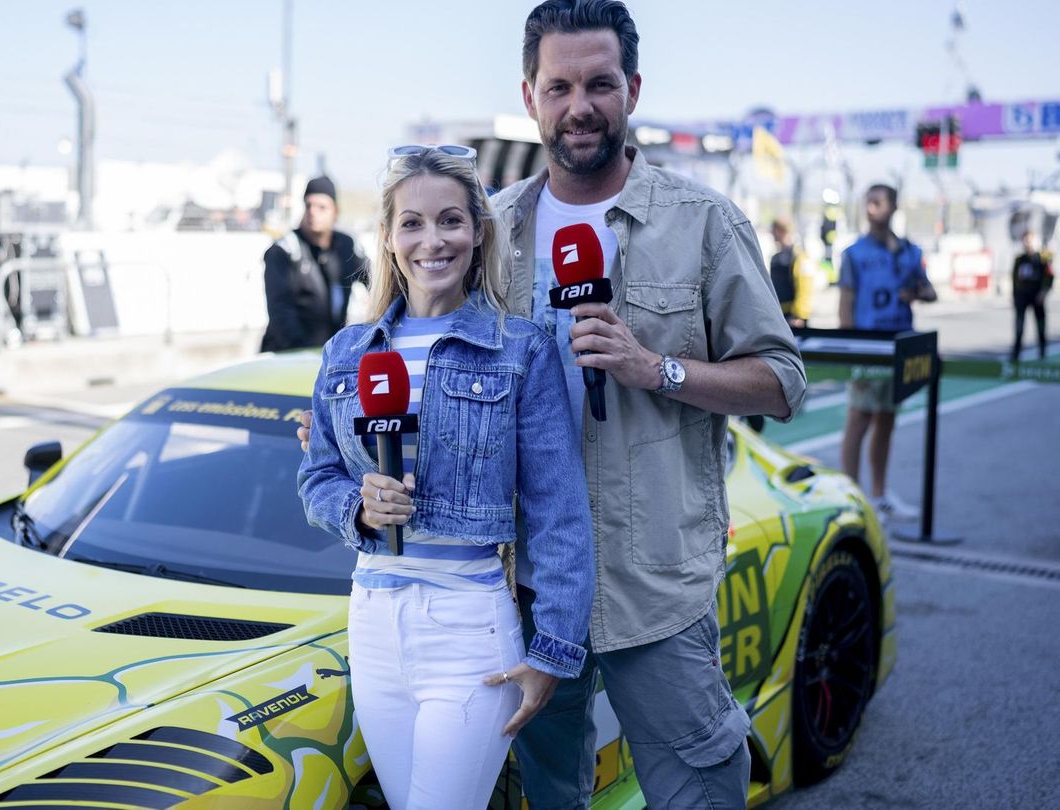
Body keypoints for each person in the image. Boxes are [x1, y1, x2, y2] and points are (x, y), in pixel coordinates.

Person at [301, 3, 805, 807]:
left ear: (632, 89)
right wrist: (345, 435)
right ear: (530, 95)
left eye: (600, 84)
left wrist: (655, 368)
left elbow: (782, 381)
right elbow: (429, 366)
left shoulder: (704, 223)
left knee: (697, 790)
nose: (580, 106)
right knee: (551, 795)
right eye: (559, 85)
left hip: (656, 587)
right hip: (515, 592)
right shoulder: (485, 229)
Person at [298, 146, 594, 810]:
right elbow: (315, 476)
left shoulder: (520, 349)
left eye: (451, 220)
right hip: (372, 622)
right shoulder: (347, 352)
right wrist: (360, 507)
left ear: (479, 232)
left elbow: (559, 513)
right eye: (413, 223)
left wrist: (553, 649)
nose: (433, 240)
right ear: (389, 238)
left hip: (467, 627)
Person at [838, 183, 937, 522]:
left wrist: (919, 293)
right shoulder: (854, 253)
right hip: (868, 346)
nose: (871, 208)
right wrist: (851, 353)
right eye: (868, 202)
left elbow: (930, 291)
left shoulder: (909, 250)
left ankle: (878, 495)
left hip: (899, 345)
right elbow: (845, 306)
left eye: (878, 202)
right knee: (859, 419)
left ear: (893, 207)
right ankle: (851, 497)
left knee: (886, 420)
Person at [259, 176, 368, 352]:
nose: (313, 212)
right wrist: (306, 353)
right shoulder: (284, 250)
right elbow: (280, 314)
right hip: (287, 357)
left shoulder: (346, 246)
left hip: (329, 355)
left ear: (335, 211)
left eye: (321, 207)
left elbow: (377, 283)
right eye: (308, 205)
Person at [1011, 230, 1052, 362]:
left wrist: (1044, 292)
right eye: (1025, 239)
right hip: (1022, 297)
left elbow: (1049, 276)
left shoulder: (1043, 257)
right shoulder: (1019, 259)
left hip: (1037, 296)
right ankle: (1016, 355)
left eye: (1030, 239)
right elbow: (1014, 278)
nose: (1028, 242)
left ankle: (1042, 354)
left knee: (1040, 326)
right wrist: (1015, 296)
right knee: (1019, 327)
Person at [769, 217, 812, 328]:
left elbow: (805, 287)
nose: (771, 233)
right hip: (779, 316)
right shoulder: (776, 257)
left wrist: (799, 315)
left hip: (793, 319)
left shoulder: (799, 256)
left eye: (773, 230)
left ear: (780, 230)